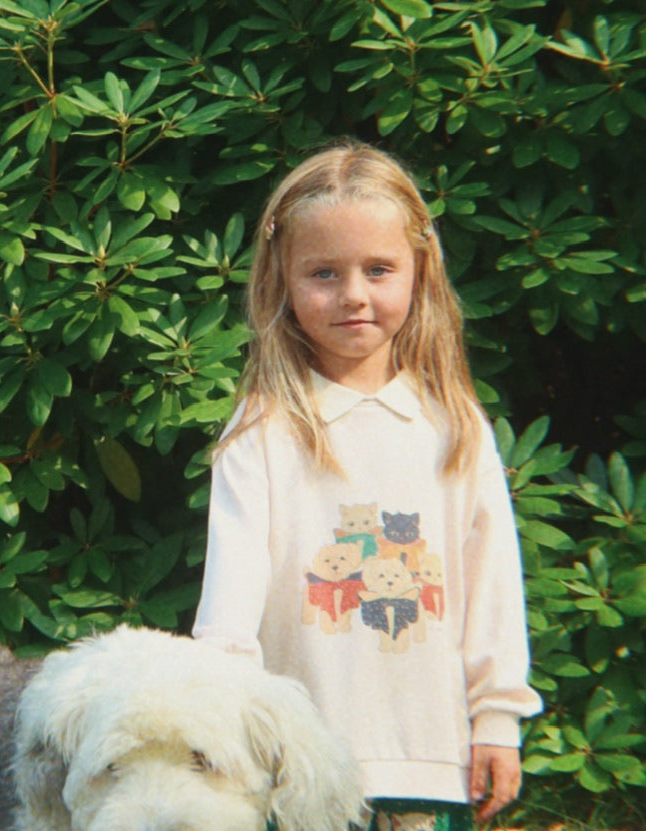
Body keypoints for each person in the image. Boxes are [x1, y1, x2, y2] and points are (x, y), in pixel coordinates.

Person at [192, 138, 542, 831]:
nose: (353, 294)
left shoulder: (454, 424)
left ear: (420, 270)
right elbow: (228, 608)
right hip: (299, 770)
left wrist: (497, 715)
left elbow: (492, 581)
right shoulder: (262, 430)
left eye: (378, 269)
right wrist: (223, 720)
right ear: (282, 280)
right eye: (323, 273)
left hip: (431, 760)